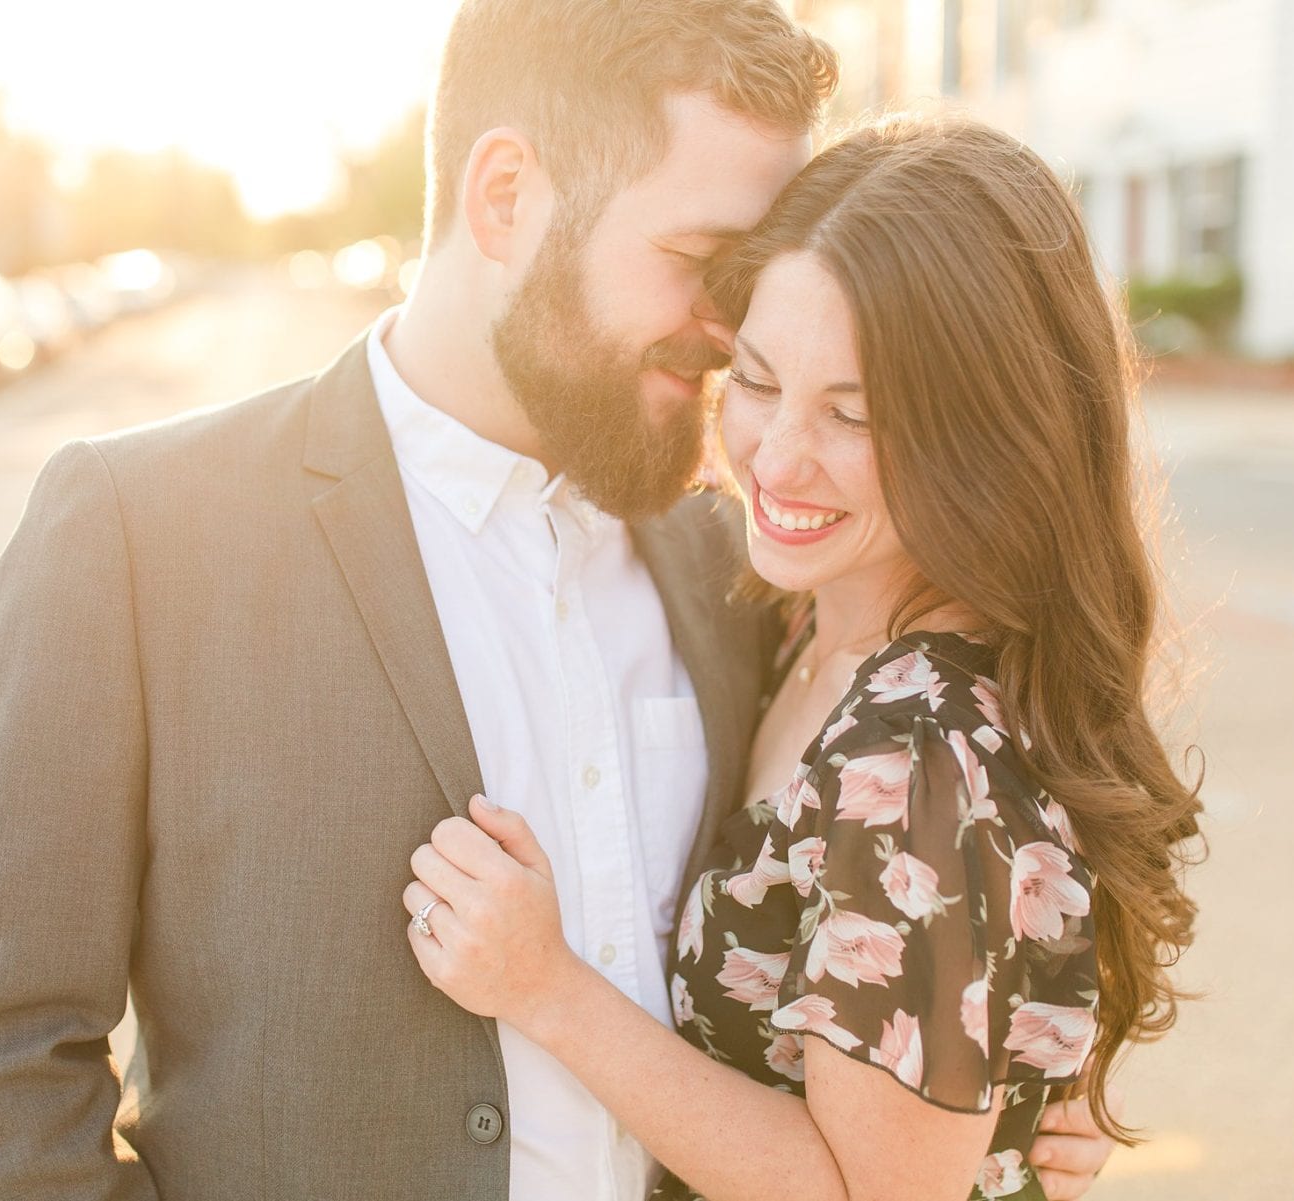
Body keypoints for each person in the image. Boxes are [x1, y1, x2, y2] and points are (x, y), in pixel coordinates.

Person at [0, 3, 1118, 1198]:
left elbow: (912, 894)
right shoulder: (139, 531)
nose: (727, 330)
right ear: (505, 198)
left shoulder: (730, 552)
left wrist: (1010, 1090)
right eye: (701, 266)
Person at [399, 114, 1203, 1201]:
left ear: (988, 436)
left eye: (853, 415)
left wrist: (546, 989)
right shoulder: (809, 626)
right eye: (762, 381)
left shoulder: (921, 759)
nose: (777, 459)